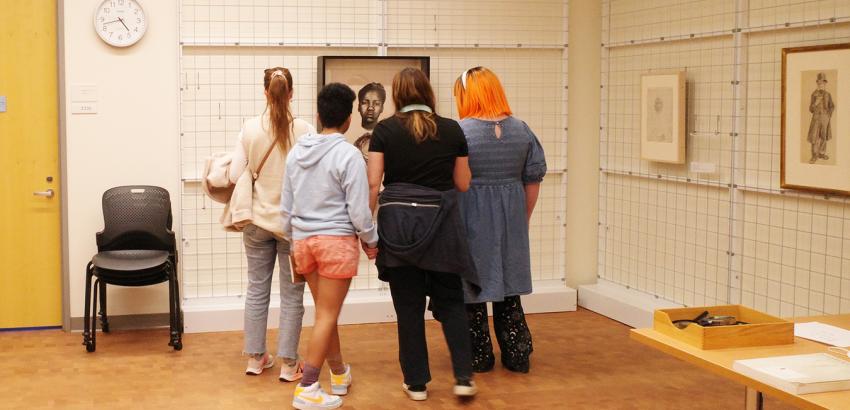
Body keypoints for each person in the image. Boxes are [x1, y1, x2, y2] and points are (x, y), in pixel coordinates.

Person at [368, 67, 481, 401]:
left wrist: (364, 230)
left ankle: (417, 383)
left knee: (408, 306)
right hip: (443, 228)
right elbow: (462, 183)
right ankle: (463, 377)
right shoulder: (451, 130)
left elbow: (374, 184)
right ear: (428, 93)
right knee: (451, 303)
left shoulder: (385, 130)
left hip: (399, 228)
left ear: (398, 95)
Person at [282, 82, 379, 410]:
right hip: (335, 243)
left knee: (326, 312)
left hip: (302, 243)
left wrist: (294, 239)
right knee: (326, 314)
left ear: (319, 114)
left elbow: (286, 206)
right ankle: (308, 387)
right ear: (348, 119)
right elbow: (359, 209)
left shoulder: (297, 152)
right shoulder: (348, 155)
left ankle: (338, 374)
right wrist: (371, 240)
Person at [452, 66, 547, 373]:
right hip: (512, 217)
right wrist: (522, 218)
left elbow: (453, 181)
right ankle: (517, 353)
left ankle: (478, 356)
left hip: (472, 216)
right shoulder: (522, 130)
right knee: (509, 288)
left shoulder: (461, 131)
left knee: (473, 289)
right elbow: (533, 179)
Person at [228, 67, 315, 380]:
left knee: (256, 289)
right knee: (292, 296)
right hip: (293, 225)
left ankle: (255, 358)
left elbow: (233, 173)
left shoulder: (249, 128)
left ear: (265, 92)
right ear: (291, 93)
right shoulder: (305, 130)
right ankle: (289, 364)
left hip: (256, 223)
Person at [353, 82, 386, 160]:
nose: (370, 108)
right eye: (365, 103)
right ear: (358, 106)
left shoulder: (385, 135)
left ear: (382, 108)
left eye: (376, 103)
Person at [807, 72, 834, 164]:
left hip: (825, 119)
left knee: (823, 137)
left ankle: (821, 153)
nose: (821, 84)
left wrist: (828, 116)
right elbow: (810, 109)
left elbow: (832, 106)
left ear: (825, 83)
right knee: (814, 137)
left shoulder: (828, 94)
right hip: (816, 119)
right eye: (819, 82)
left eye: (823, 82)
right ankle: (814, 156)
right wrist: (815, 103)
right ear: (817, 83)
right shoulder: (814, 94)